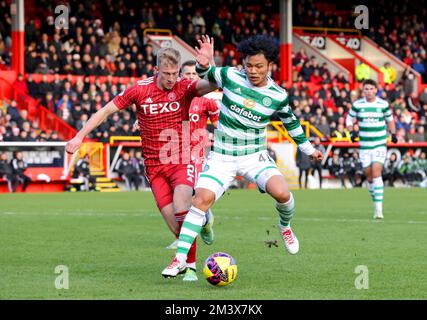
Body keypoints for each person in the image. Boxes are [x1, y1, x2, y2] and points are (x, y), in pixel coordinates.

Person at [162, 35, 323, 277]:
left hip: (253, 155)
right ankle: (180, 259)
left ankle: (285, 226)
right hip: (222, 156)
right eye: (249, 65)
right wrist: (204, 63)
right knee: (200, 201)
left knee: (282, 193)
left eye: (259, 66)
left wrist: (309, 149)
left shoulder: (278, 95)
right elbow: (207, 75)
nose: (253, 71)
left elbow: (291, 123)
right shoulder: (230, 76)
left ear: (270, 66)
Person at [66, 47, 217, 282]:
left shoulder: (183, 87)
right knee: (177, 227)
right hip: (154, 167)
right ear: (156, 70)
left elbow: (211, 85)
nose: (171, 79)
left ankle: (188, 266)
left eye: (175, 73)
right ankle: (195, 245)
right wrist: (79, 136)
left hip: (181, 159)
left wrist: (208, 66)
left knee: (181, 204)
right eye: (166, 73)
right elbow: (105, 111)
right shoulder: (139, 90)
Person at [346, 79, 397, 219]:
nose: (368, 91)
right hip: (364, 146)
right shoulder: (357, 105)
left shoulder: (383, 104)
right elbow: (349, 120)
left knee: (376, 173)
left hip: (379, 144)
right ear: (363, 91)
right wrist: (351, 132)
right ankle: (376, 203)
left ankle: (379, 210)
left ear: (376, 90)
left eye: (371, 88)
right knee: (368, 177)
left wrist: (393, 134)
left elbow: (390, 120)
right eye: (366, 89)